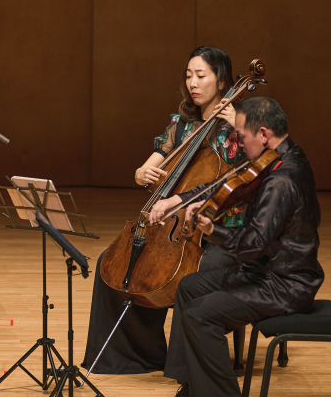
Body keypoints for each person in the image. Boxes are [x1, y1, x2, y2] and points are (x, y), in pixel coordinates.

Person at [149, 96, 323, 397]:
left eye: (240, 136)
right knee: (189, 288)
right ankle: (195, 389)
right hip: (265, 272)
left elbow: (253, 245)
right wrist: (185, 200)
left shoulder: (282, 180)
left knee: (202, 315)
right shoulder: (275, 158)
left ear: (262, 133)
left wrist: (213, 230)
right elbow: (226, 185)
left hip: (284, 283)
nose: (237, 142)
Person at [83, 46, 246, 374]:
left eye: (201, 76)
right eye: (188, 76)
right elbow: (146, 169)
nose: (193, 84)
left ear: (223, 80)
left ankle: (187, 371)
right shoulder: (182, 123)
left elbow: (240, 186)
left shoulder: (238, 128)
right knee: (111, 264)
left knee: (191, 277)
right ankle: (132, 356)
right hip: (173, 226)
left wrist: (241, 125)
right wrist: (144, 173)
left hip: (220, 228)